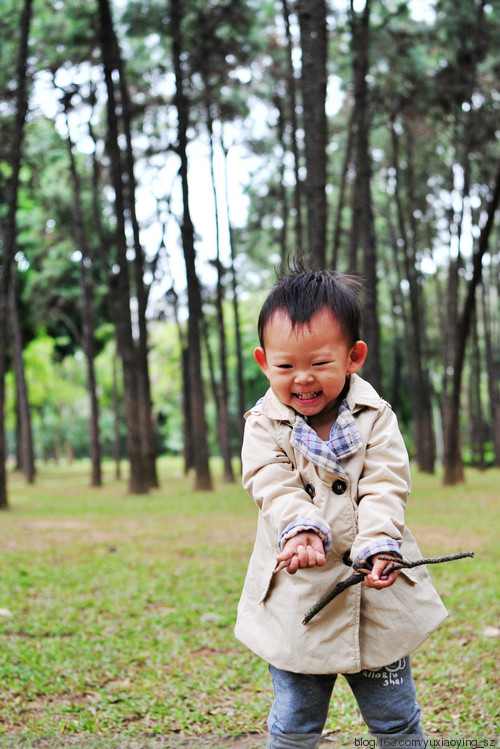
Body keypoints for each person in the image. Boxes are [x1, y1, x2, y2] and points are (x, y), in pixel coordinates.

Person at [234, 265, 447, 749]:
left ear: (353, 357)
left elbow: (386, 484)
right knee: (294, 723)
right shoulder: (264, 425)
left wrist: (378, 541)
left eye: (320, 364)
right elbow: (270, 482)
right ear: (264, 362)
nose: (303, 379)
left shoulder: (377, 418)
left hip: (376, 594)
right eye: (286, 367)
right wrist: (300, 527)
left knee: (395, 719)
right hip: (298, 599)